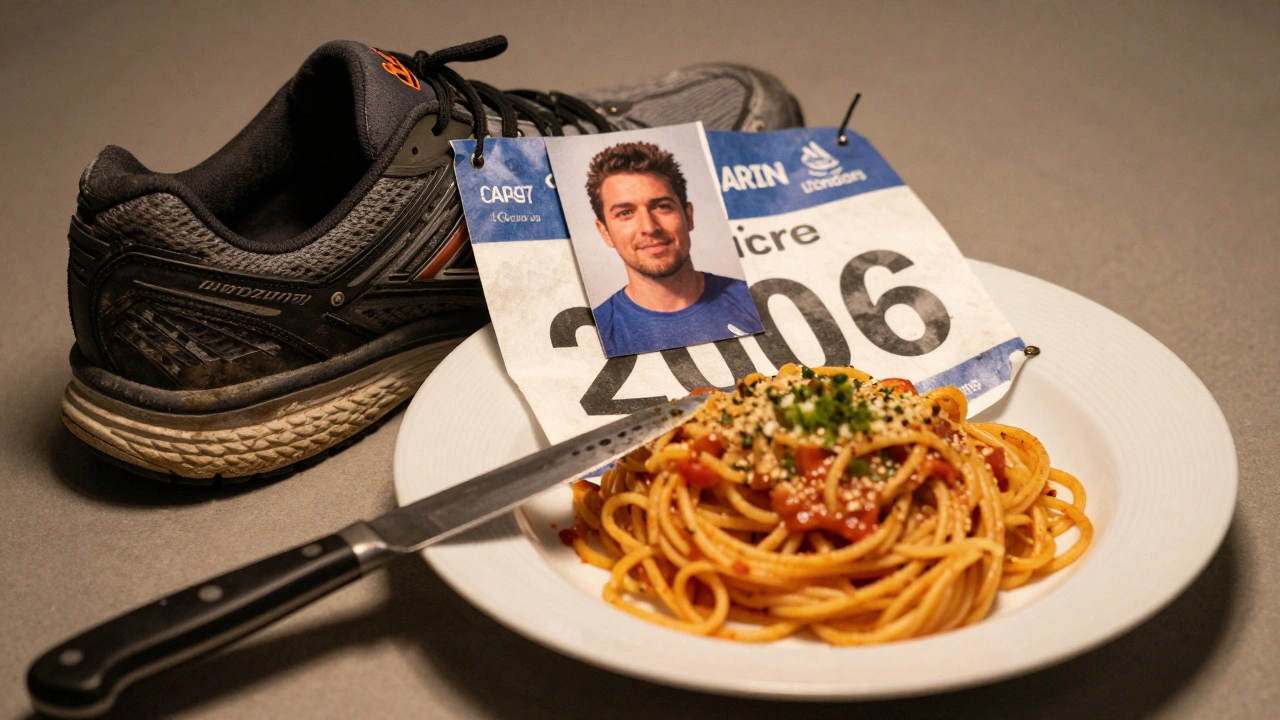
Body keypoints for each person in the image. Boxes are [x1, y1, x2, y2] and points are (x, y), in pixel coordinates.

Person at [586, 141, 762, 356]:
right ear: (604, 232)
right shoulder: (596, 334)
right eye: (625, 213)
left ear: (688, 216)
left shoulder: (755, 299)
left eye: (661, 207)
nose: (649, 227)